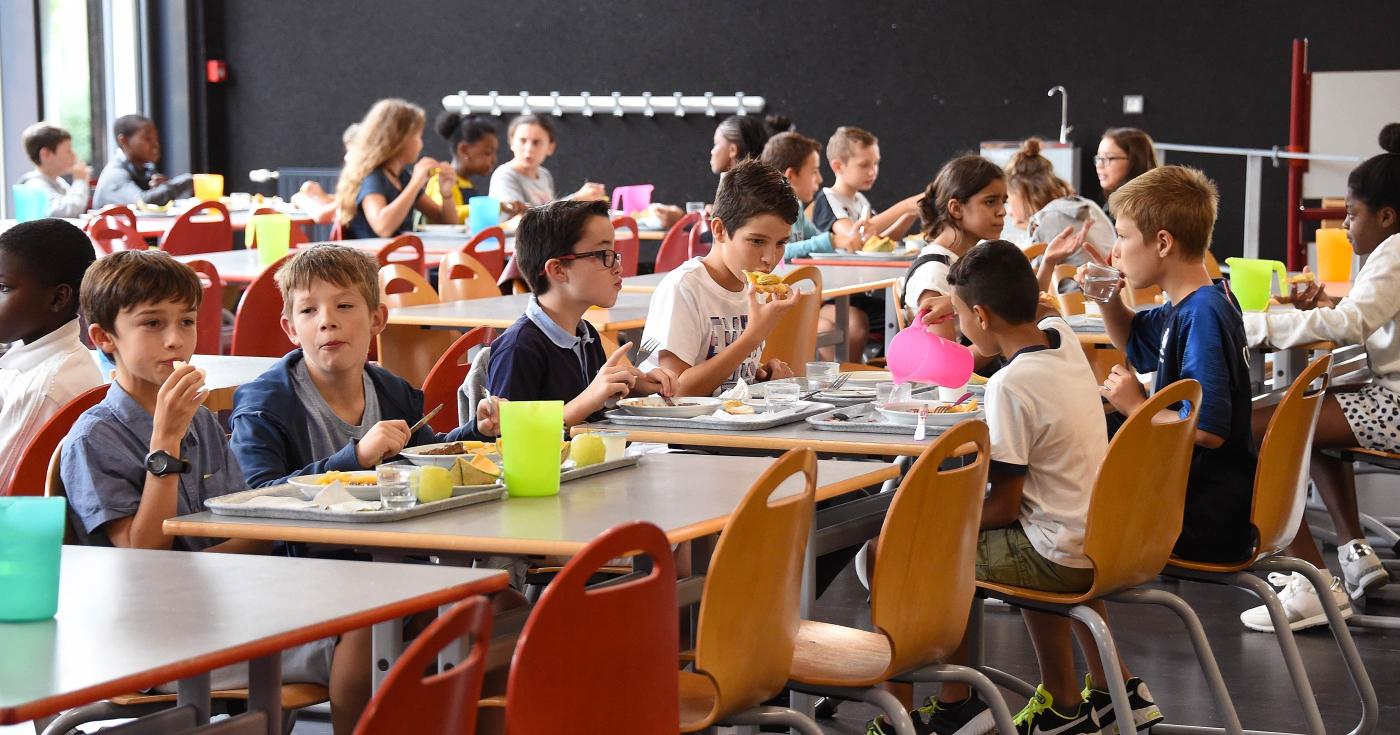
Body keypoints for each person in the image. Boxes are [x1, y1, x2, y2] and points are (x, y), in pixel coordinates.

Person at [60, 249, 369, 734]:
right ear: (104, 339)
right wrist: (163, 442)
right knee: (367, 635)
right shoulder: (95, 438)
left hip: (226, 608)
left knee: (399, 612)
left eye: (186, 321)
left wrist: (212, 560)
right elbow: (143, 557)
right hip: (152, 636)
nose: (175, 340)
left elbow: (250, 529)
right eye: (151, 324)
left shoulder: (200, 420)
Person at [870, 240, 1160, 735]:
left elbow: (1003, 507)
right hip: (1095, 535)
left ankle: (929, 710)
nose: (956, 326)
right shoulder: (1062, 336)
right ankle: (1067, 703)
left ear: (980, 316)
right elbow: (1042, 306)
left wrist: (934, 517)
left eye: (960, 315)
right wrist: (958, 298)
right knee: (1005, 536)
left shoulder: (1009, 384)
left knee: (895, 550)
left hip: (1054, 552)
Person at [1237, 123, 1400, 631]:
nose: (1346, 225)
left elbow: (1355, 324)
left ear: (1387, 216)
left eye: (1352, 214)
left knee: (1250, 434)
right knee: (1312, 404)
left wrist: (1255, 323)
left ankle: (1310, 582)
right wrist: (1332, 305)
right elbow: (1368, 319)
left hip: (1396, 410)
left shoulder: (1394, 250)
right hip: (1391, 399)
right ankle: (1354, 552)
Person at [1089, 165, 1259, 573]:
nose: (1115, 250)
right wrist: (1107, 298)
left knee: (1062, 509)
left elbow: (1207, 431)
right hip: (1193, 505)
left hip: (1199, 519)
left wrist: (1137, 406)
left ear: (1162, 242)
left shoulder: (1202, 314)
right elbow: (1133, 340)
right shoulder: (1194, 302)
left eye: (1123, 236)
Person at [229, 245, 490, 488]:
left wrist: (476, 431)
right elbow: (254, 495)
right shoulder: (263, 406)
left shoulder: (392, 392)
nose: (327, 321)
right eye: (309, 310)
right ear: (291, 329)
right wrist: (356, 458)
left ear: (376, 319)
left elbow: (425, 453)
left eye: (344, 306)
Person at [477, 200, 675, 428]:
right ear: (558, 270)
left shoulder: (585, 334)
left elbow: (594, 411)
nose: (618, 267)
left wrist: (633, 385)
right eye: (603, 254)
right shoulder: (519, 348)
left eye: (614, 253)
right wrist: (588, 400)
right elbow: (507, 436)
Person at [637, 159, 799, 396]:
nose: (769, 258)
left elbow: (726, 378)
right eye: (757, 241)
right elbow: (678, 391)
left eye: (781, 243)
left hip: (728, 423)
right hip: (676, 429)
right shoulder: (685, 287)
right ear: (719, 230)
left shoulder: (751, 287)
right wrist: (753, 336)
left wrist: (760, 375)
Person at [0, 219, 101, 491]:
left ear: (58, 299)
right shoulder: (52, 360)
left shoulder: (43, 389)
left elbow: (5, 486)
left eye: (3, 288)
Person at [760, 131, 869, 360]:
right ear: (791, 176)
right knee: (829, 328)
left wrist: (838, 240)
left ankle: (843, 384)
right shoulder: (765, 214)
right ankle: (828, 384)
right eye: (814, 171)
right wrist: (830, 240)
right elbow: (779, 254)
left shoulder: (796, 209)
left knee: (856, 322)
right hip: (771, 303)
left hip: (802, 297)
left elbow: (816, 238)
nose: (820, 179)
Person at [903, 155, 1007, 343]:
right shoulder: (934, 272)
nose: (1002, 211)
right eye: (990, 201)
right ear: (956, 208)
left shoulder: (970, 261)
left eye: (1003, 201)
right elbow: (944, 363)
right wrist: (1005, 339)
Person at [333, 98, 459, 239]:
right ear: (399, 139)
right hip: (371, 259)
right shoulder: (372, 176)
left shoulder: (401, 177)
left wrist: (446, 194)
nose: (421, 144)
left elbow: (447, 223)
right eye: (418, 136)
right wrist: (416, 182)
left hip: (399, 257)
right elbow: (383, 227)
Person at [1003, 137, 1115, 291]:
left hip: (1075, 307)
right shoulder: (1087, 204)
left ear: (1023, 194)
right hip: (1113, 295)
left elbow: (1034, 286)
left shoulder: (1044, 220)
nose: (1007, 210)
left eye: (1008, 199)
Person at [810, 126, 921, 242]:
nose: (873, 172)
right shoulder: (827, 198)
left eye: (876, 163)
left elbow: (876, 241)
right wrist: (905, 206)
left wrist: (909, 214)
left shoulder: (860, 199)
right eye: (864, 165)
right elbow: (856, 235)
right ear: (838, 166)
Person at [489, 114, 604, 211]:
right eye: (522, 141)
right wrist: (576, 200)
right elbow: (521, 219)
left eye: (536, 142)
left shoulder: (544, 175)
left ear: (550, 147)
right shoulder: (504, 176)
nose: (528, 148)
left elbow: (549, 216)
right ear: (511, 142)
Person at [429, 111, 523, 219]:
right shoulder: (440, 181)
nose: (494, 159)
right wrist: (495, 206)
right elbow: (448, 214)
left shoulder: (465, 184)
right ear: (464, 150)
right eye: (488, 153)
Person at [92, 114, 193, 207]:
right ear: (124, 141)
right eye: (148, 139)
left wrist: (161, 188)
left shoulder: (146, 171)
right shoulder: (114, 174)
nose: (155, 144)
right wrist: (190, 180)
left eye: (156, 138)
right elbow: (143, 203)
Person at [15, 122, 90, 218]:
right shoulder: (35, 185)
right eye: (68, 151)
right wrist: (80, 181)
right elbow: (68, 212)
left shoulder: (58, 182)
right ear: (45, 154)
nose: (74, 155)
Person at [1095, 127, 1158, 211]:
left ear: (1135, 161)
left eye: (1108, 158)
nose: (1099, 165)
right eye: (1099, 157)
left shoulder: (1141, 210)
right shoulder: (1115, 200)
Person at [709, 113, 793, 175]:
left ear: (733, 150)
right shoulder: (763, 187)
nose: (712, 151)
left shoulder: (743, 194)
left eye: (716, 144)